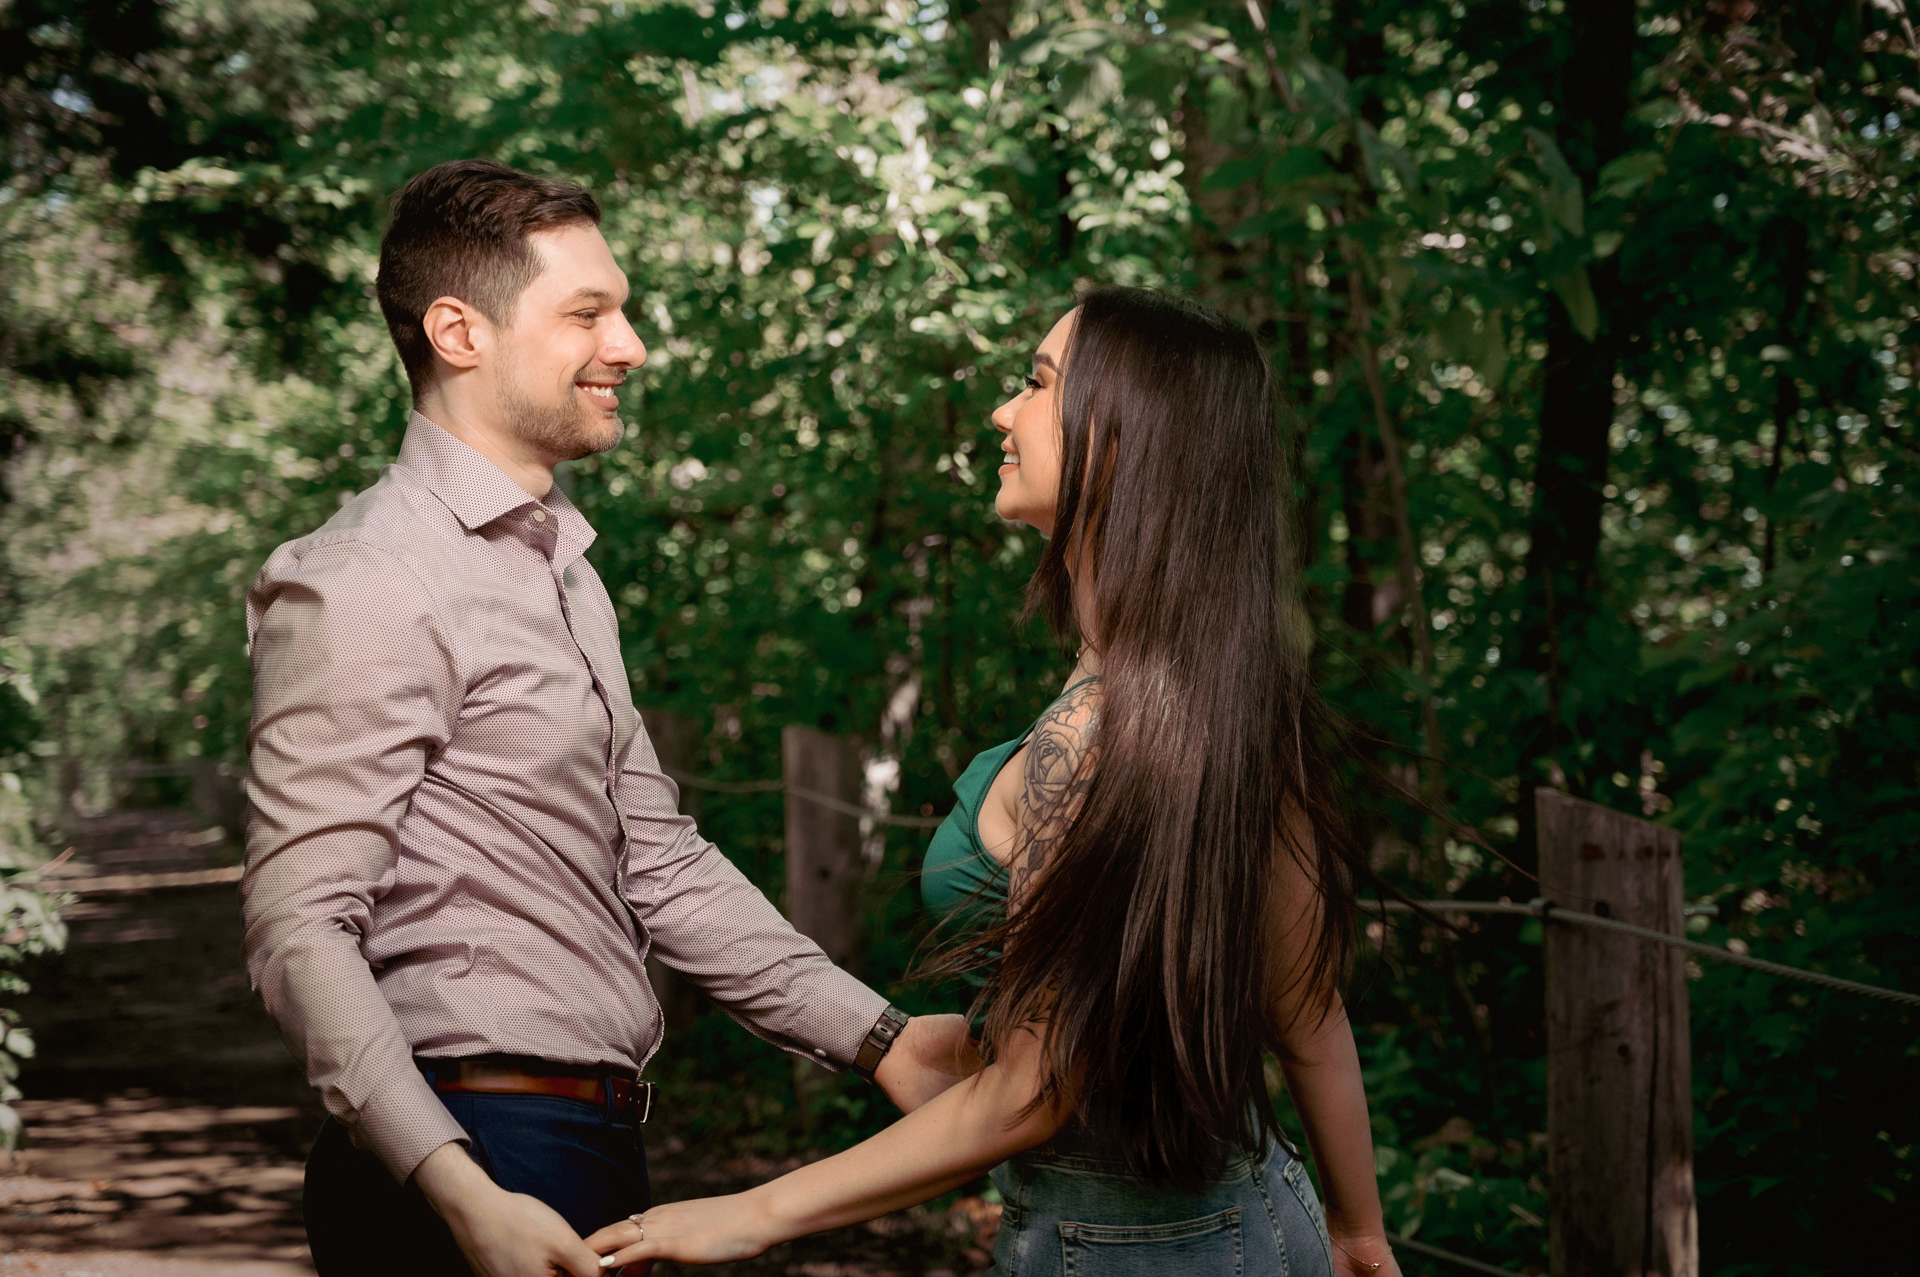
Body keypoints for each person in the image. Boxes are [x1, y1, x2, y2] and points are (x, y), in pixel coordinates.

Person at [242, 159, 972, 1277]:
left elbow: (661, 861)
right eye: (587, 312)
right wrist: (459, 1186)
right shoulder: (367, 576)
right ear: (458, 331)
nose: (628, 345)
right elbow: (300, 925)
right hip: (475, 1145)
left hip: (583, 1137)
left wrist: (882, 1039)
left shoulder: (563, 567)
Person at [588, 288, 1405, 1277]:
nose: (1002, 413)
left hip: (1128, 1245)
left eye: (1036, 384)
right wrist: (1358, 1232)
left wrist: (753, 1211)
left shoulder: (1093, 731)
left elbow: (1036, 1087)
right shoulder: (1216, 699)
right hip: (1256, 1214)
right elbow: (1308, 1007)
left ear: (1124, 438)